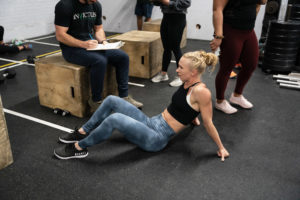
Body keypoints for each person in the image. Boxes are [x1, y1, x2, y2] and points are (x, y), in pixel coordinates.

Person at [54, 50, 230, 162]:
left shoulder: (202, 92)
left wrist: (221, 147)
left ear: (193, 72)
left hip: (157, 138)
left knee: (115, 118)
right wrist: (192, 118)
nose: (176, 70)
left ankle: (79, 148)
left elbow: (209, 122)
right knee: (112, 100)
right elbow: (187, 106)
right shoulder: (187, 83)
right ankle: (82, 132)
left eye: (181, 68)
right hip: (152, 122)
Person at [54, 0, 143, 111]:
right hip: (72, 49)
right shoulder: (65, 5)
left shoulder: (95, 5)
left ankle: (124, 96)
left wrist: (104, 42)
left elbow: (99, 29)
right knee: (100, 61)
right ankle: (95, 100)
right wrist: (82, 44)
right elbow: (60, 35)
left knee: (123, 57)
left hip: (92, 45)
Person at [210, 0, 267, 114]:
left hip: (248, 30)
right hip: (231, 29)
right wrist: (218, 36)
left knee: (251, 64)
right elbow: (217, 10)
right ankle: (220, 101)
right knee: (227, 66)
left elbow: (261, 3)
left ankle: (236, 95)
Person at [150, 0, 191, 87]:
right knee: (166, 48)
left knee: (176, 48)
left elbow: (186, 3)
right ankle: (163, 74)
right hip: (166, 17)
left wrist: (167, 2)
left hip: (178, 18)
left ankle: (181, 77)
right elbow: (159, 3)